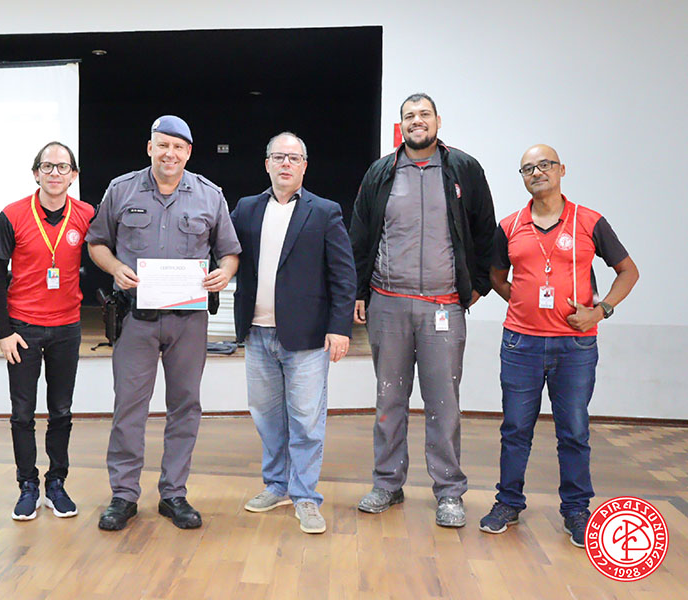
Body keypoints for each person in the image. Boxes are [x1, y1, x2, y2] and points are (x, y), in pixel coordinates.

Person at [479, 144, 638, 547]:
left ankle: (577, 510)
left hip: (575, 347)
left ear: (561, 169)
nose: (537, 172)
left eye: (544, 165)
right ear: (523, 178)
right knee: (516, 429)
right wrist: (521, 301)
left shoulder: (590, 221)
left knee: (574, 431)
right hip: (521, 344)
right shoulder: (510, 225)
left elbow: (628, 271)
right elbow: (496, 276)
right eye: (528, 168)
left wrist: (600, 310)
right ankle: (508, 503)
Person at [349, 93, 496, 527]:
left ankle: (449, 492)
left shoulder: (463, 169)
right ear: (401, 125)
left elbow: (485, 231)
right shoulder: (381, 172)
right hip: (388, 304)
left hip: (443, 306)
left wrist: (479, 285)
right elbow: (360, 235)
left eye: (424, 114)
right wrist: (359, 291)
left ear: (438, 121)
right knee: (389, 399)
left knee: (444, 404)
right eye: (410, 116)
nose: (418, 121)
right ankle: (387, 483)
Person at [88, 115, 241, 531]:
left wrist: (225, 273)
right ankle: (123, 495)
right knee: (129, 407)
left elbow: (229, 252)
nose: (169, 154)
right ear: (150, 148)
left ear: (188, 153)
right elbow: (96, 243)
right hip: (135, 319)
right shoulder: (121, 190)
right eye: (162, 145)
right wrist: (115, 267)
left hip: (188, 322)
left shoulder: (210, 195)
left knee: (185, 407)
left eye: (177, 147)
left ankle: (174, 493)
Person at [230, 132, 355, 534]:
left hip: (308, 336)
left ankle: (305, 497)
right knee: (267, 417)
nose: (286, 163)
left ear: (304, 166)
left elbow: (343, 275)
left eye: (294, 158)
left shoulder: (325, 212)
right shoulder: (246, 209)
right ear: (266, 163)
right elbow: (225, 252)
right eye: (279, 157)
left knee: (305, 420)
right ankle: (277, 486)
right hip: (257, 333)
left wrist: (339, 328)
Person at [0, 142, 94, 520]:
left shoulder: (86, 215)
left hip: (66, 327)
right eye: (47, 166)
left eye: (62, 167)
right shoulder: (13, 215)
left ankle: (56, 483)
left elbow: (107, 255)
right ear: (36, 173)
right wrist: (4, 331)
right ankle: (27, 485)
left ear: (73, 175)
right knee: (22, 413)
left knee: (61, 411)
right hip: (23, 329)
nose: (54, 173)